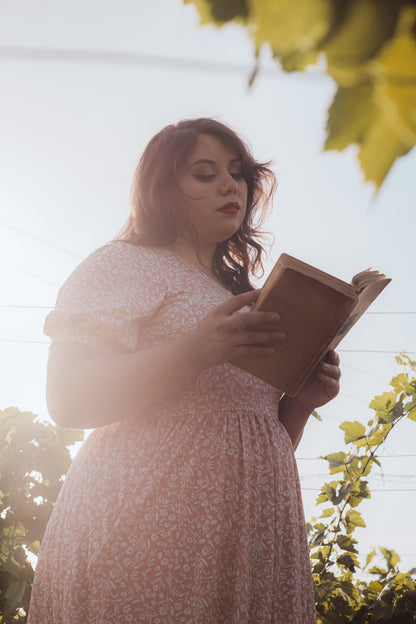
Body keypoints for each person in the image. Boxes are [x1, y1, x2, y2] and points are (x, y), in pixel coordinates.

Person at [28, 118, 341, 624]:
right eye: (204, 173)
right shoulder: (122, 264)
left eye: (237, 173)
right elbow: (67, 398)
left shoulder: (235, 296)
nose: (229, 185)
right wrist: (197, 350)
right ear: (161, 190)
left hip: (252, 545)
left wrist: (299, 403)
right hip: (148, 534)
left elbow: (252, 434)